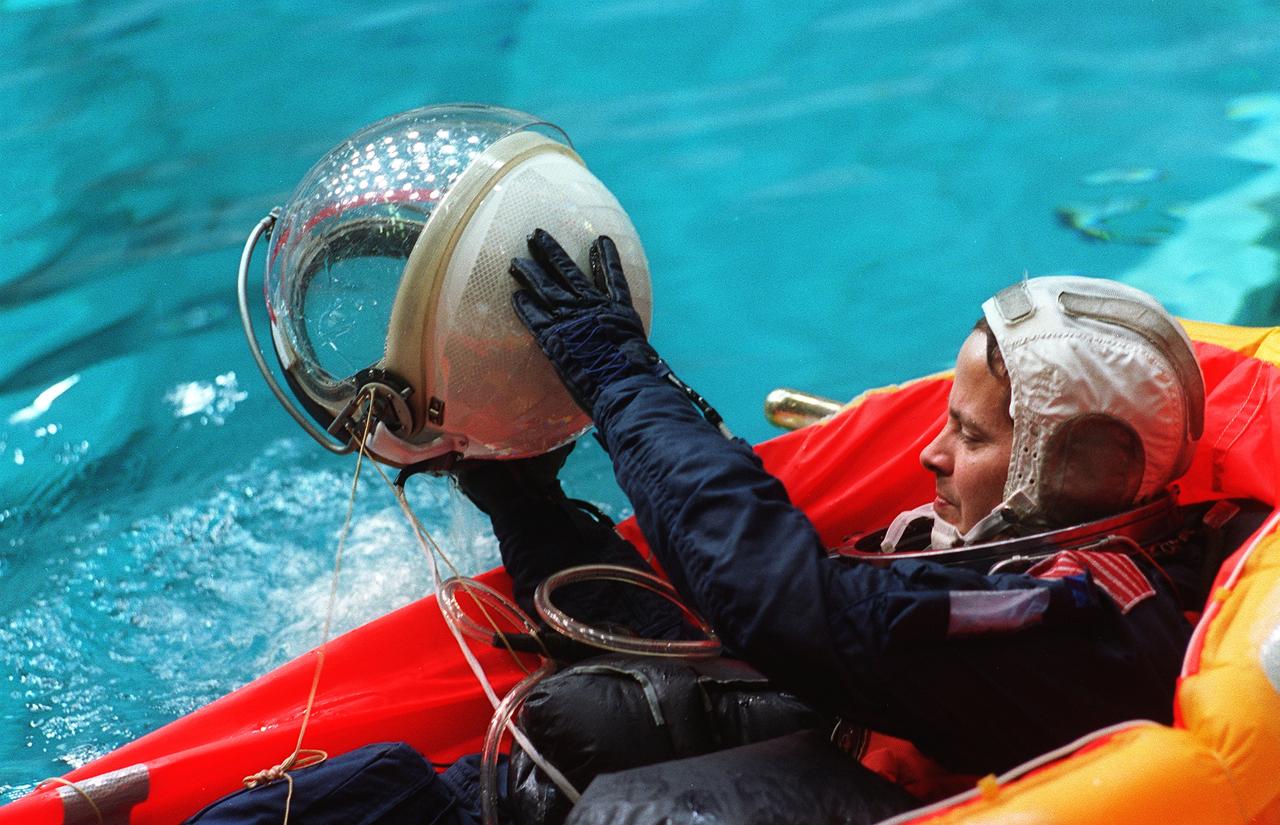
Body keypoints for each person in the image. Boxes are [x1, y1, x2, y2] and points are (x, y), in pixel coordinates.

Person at [495, 228, 1218, 780]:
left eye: (968, 433)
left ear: (1071, 468)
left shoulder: (1076, 618)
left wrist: (622, 382)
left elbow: (776, 604)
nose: (930, 456)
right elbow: (733, 666)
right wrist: (529, 511)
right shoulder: (1044, 577)